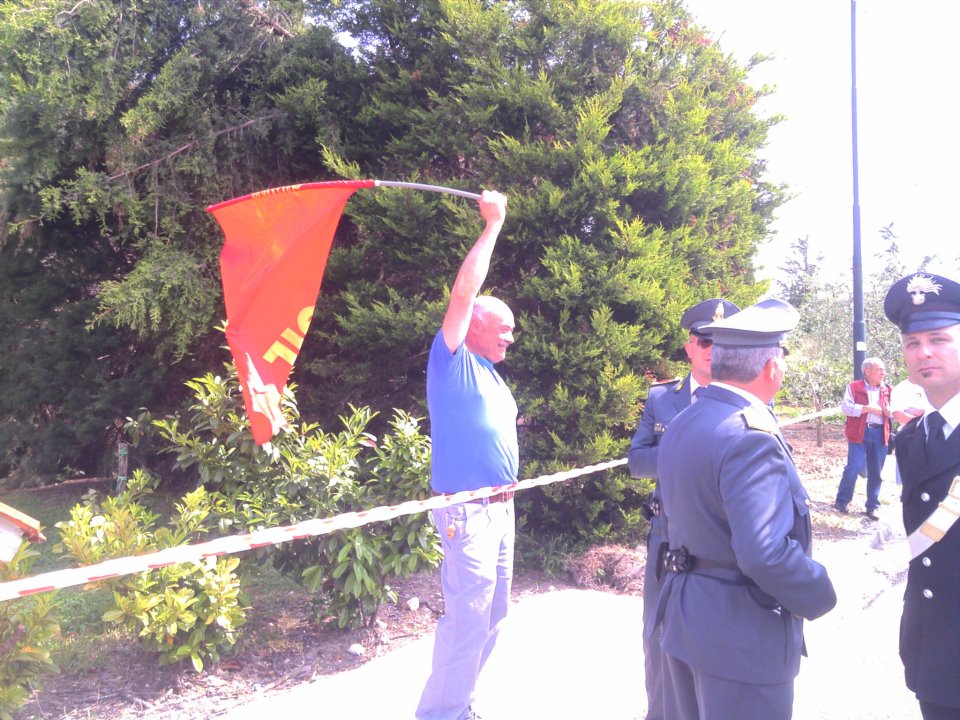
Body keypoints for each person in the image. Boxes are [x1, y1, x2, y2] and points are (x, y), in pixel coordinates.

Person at [654, 298, 837, 720]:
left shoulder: (688, 418)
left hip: (686, 616)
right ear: (772, 367)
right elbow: (765, 553)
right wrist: (818, 589)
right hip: (740, 636)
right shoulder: (749, 435)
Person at [416, 190, 516, 720]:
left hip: (500, 509)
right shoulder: (450, 360)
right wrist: (492, 225)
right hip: (468, 512)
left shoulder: (492, 376)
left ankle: (460, 706)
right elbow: (462, 292)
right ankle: (440, 716)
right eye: (505, 328)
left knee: (494, 615)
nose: (511, 337)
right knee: (468, 619)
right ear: (476, 324)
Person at [627, 297, 739, 720]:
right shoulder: (662, 398)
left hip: (721, 535)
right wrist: (688, 448)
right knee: (657, 634)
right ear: (689, 346)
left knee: (720, 631)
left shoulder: (749, 401)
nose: (713, 349)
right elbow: (637, 462)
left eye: (722, 341)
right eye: (704, 340)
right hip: (667, 532)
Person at [883, 272, 960, 720]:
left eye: (939, 339)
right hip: (931, 649)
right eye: (913, 343)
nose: (924, 352)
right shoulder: (912, 438)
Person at [833, 357, 892, 520]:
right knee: (854, 466)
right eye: (879, 369)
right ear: (867, 371)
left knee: (876, 471)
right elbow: (845, 408)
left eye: (883, 369)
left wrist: (890, 412)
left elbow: (895, 410)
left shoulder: (887, 389)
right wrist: (867, 409)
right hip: (859, 433)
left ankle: (873, 506)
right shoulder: (853, 387)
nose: (883, 373)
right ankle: (842, 501)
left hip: (880, 433)